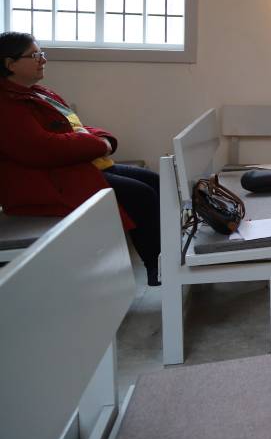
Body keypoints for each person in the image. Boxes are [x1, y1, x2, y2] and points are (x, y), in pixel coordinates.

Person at [0, 32, 162, 285]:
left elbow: (74, 128)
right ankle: (156, 267)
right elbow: (42, 149)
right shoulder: (6, 104)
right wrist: (99, 145)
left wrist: (103, 140)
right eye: (34, 55)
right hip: (44, 183)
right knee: (140, 194)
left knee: (154, 181)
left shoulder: (40, 93)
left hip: (72, 168)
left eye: (41, 53)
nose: (42, 60)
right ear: (10, 64)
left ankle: (163, 260)